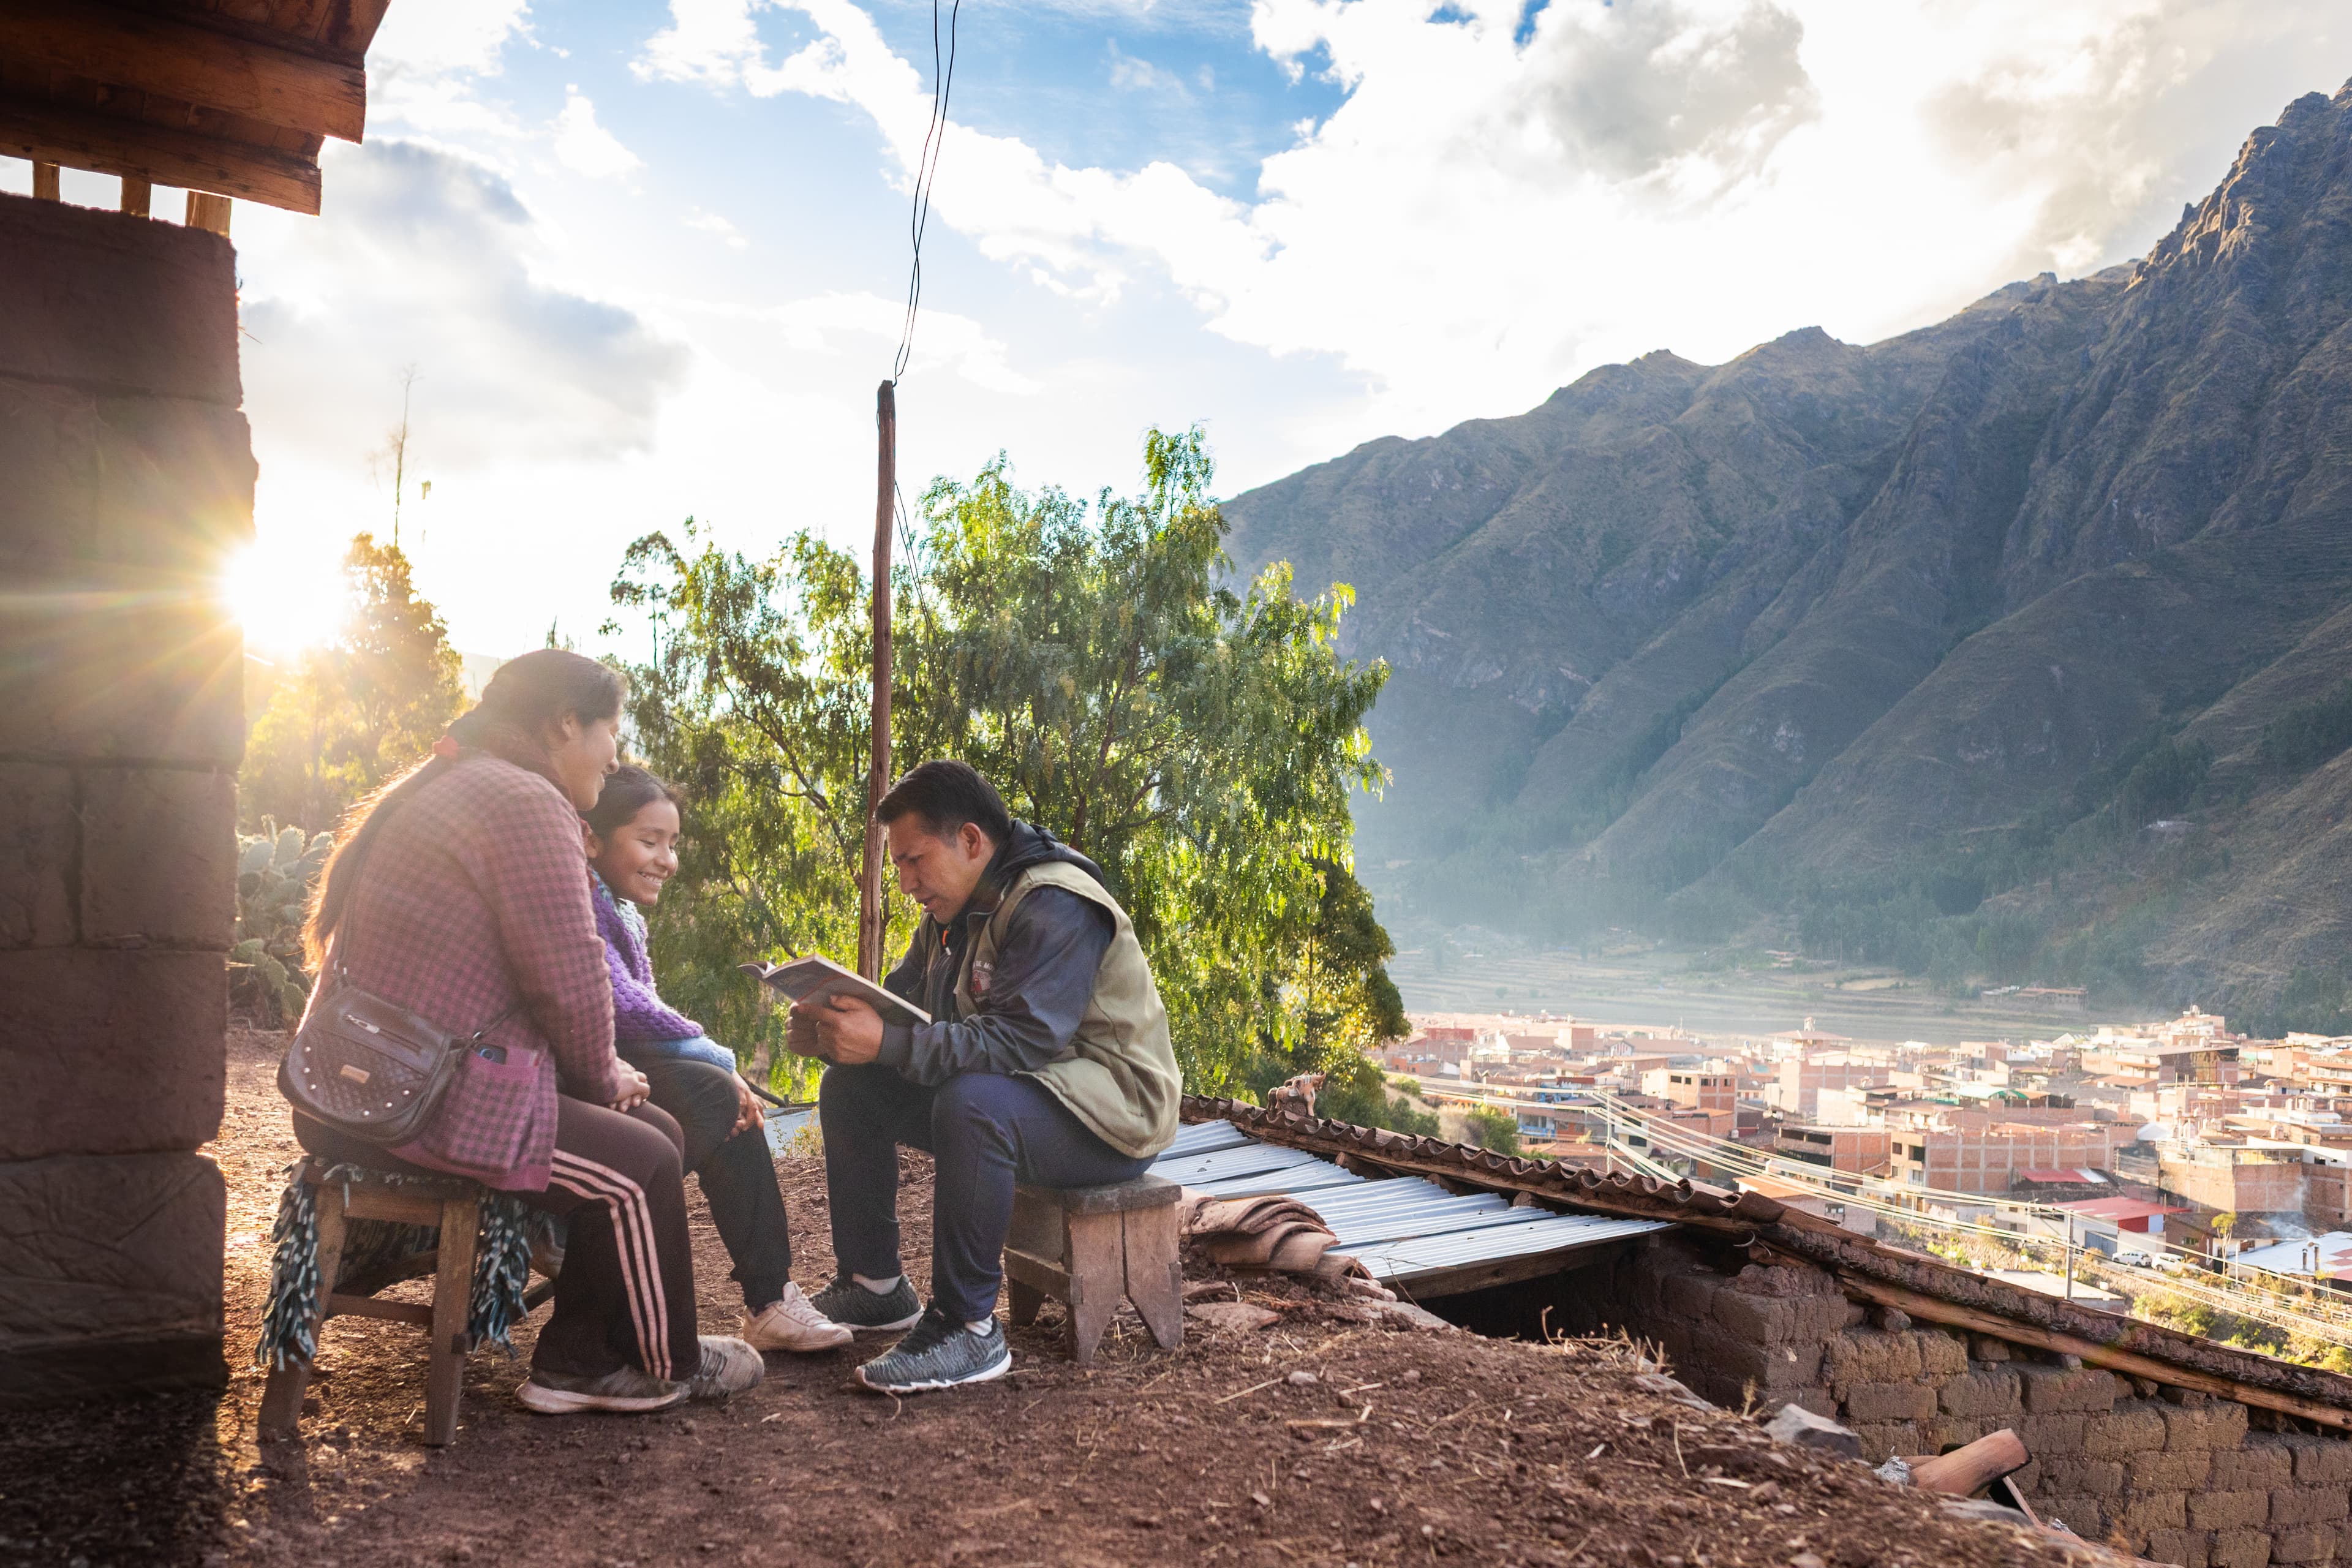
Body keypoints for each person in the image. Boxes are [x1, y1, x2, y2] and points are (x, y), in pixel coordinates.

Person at [288, 649, 763, 1415]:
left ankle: (578, 1357)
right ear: (565, 723)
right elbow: (567, 974)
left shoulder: (449, 780)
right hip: (415, 1100)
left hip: (348, 1088)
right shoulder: (527, 799)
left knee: (655, 1130)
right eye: (609, 730)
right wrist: (601, 1074)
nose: (614, 755)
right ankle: (662, 1361)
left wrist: (597, 1077)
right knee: (641, 1158)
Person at [794, 761, 1182, 1393]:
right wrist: (837, 1031)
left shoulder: (1054, 901)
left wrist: (887, 1042)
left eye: (915, 860)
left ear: (971, 840)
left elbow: (1019, 1039)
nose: (907, 881)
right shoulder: (954, 911)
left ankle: (968, 1327)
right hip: (1035, 1094)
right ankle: (875, 1286)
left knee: (974, 1104)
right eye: (898, 867)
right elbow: (903, 1010)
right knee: (852, 1087)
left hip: (1114, 1115)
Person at [582, 765, 851, 1354]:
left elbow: (641, 1008)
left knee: (723, 1096)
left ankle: (771, 1298)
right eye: (649, 842)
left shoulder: (621, 910)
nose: (666, 860)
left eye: (672, 845)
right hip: (583, 1076)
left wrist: (719, 1073)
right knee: (716, 1092)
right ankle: (766, 1297)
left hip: (618, 1066)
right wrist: (722, 1064)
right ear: (592, 840)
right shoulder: (580, 902)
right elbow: (626, 1010)